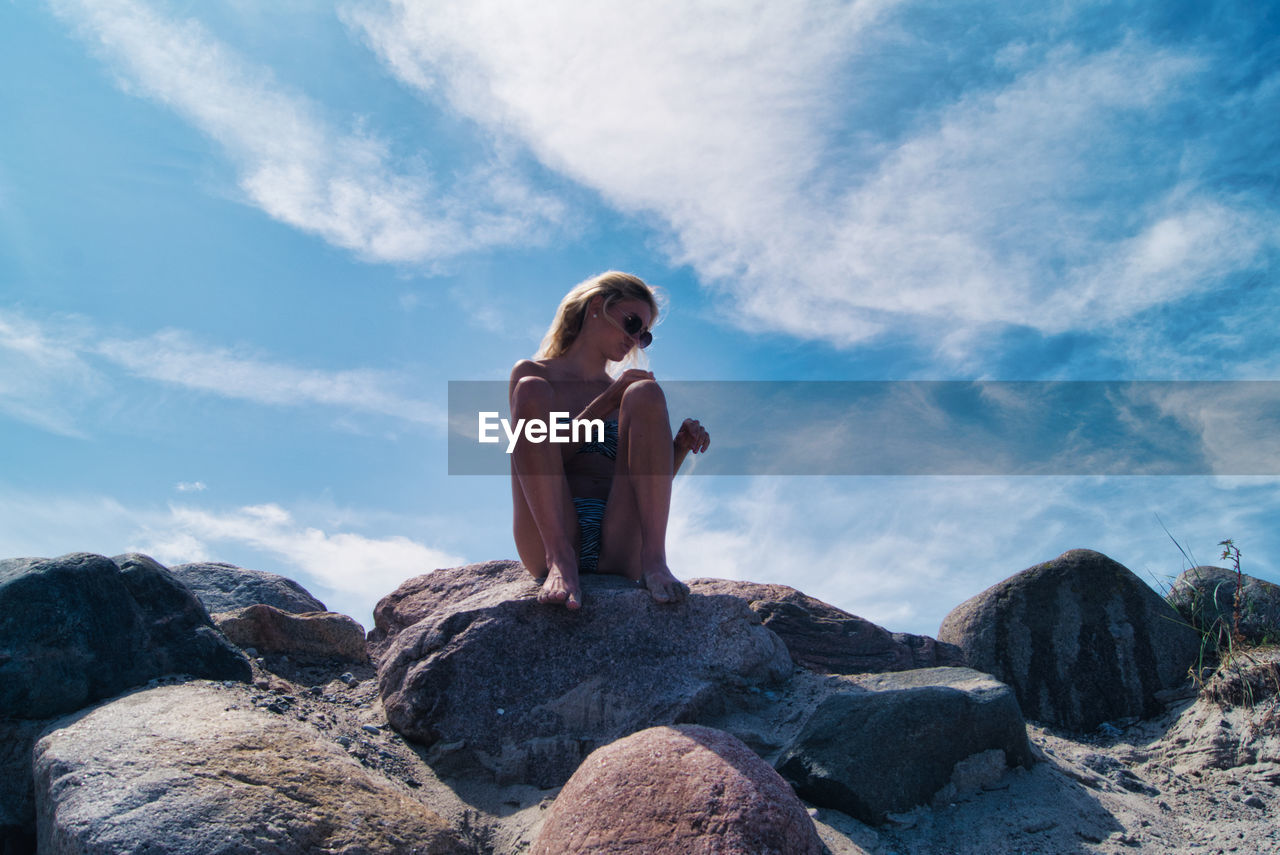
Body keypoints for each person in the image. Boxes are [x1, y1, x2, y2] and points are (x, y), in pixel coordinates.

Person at [508, 271, 710, 610]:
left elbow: (641, 483)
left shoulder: (625, 391)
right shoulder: (537, 373)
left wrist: (677, 448)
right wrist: (606, 402)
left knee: (646, 392)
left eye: (644, 336)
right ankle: (561, 559)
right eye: (633, 324)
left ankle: (655, 562)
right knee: (529, 391)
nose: (636, 339)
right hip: (550, 535)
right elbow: (540, 456)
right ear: (597, 306)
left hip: (620, 540)